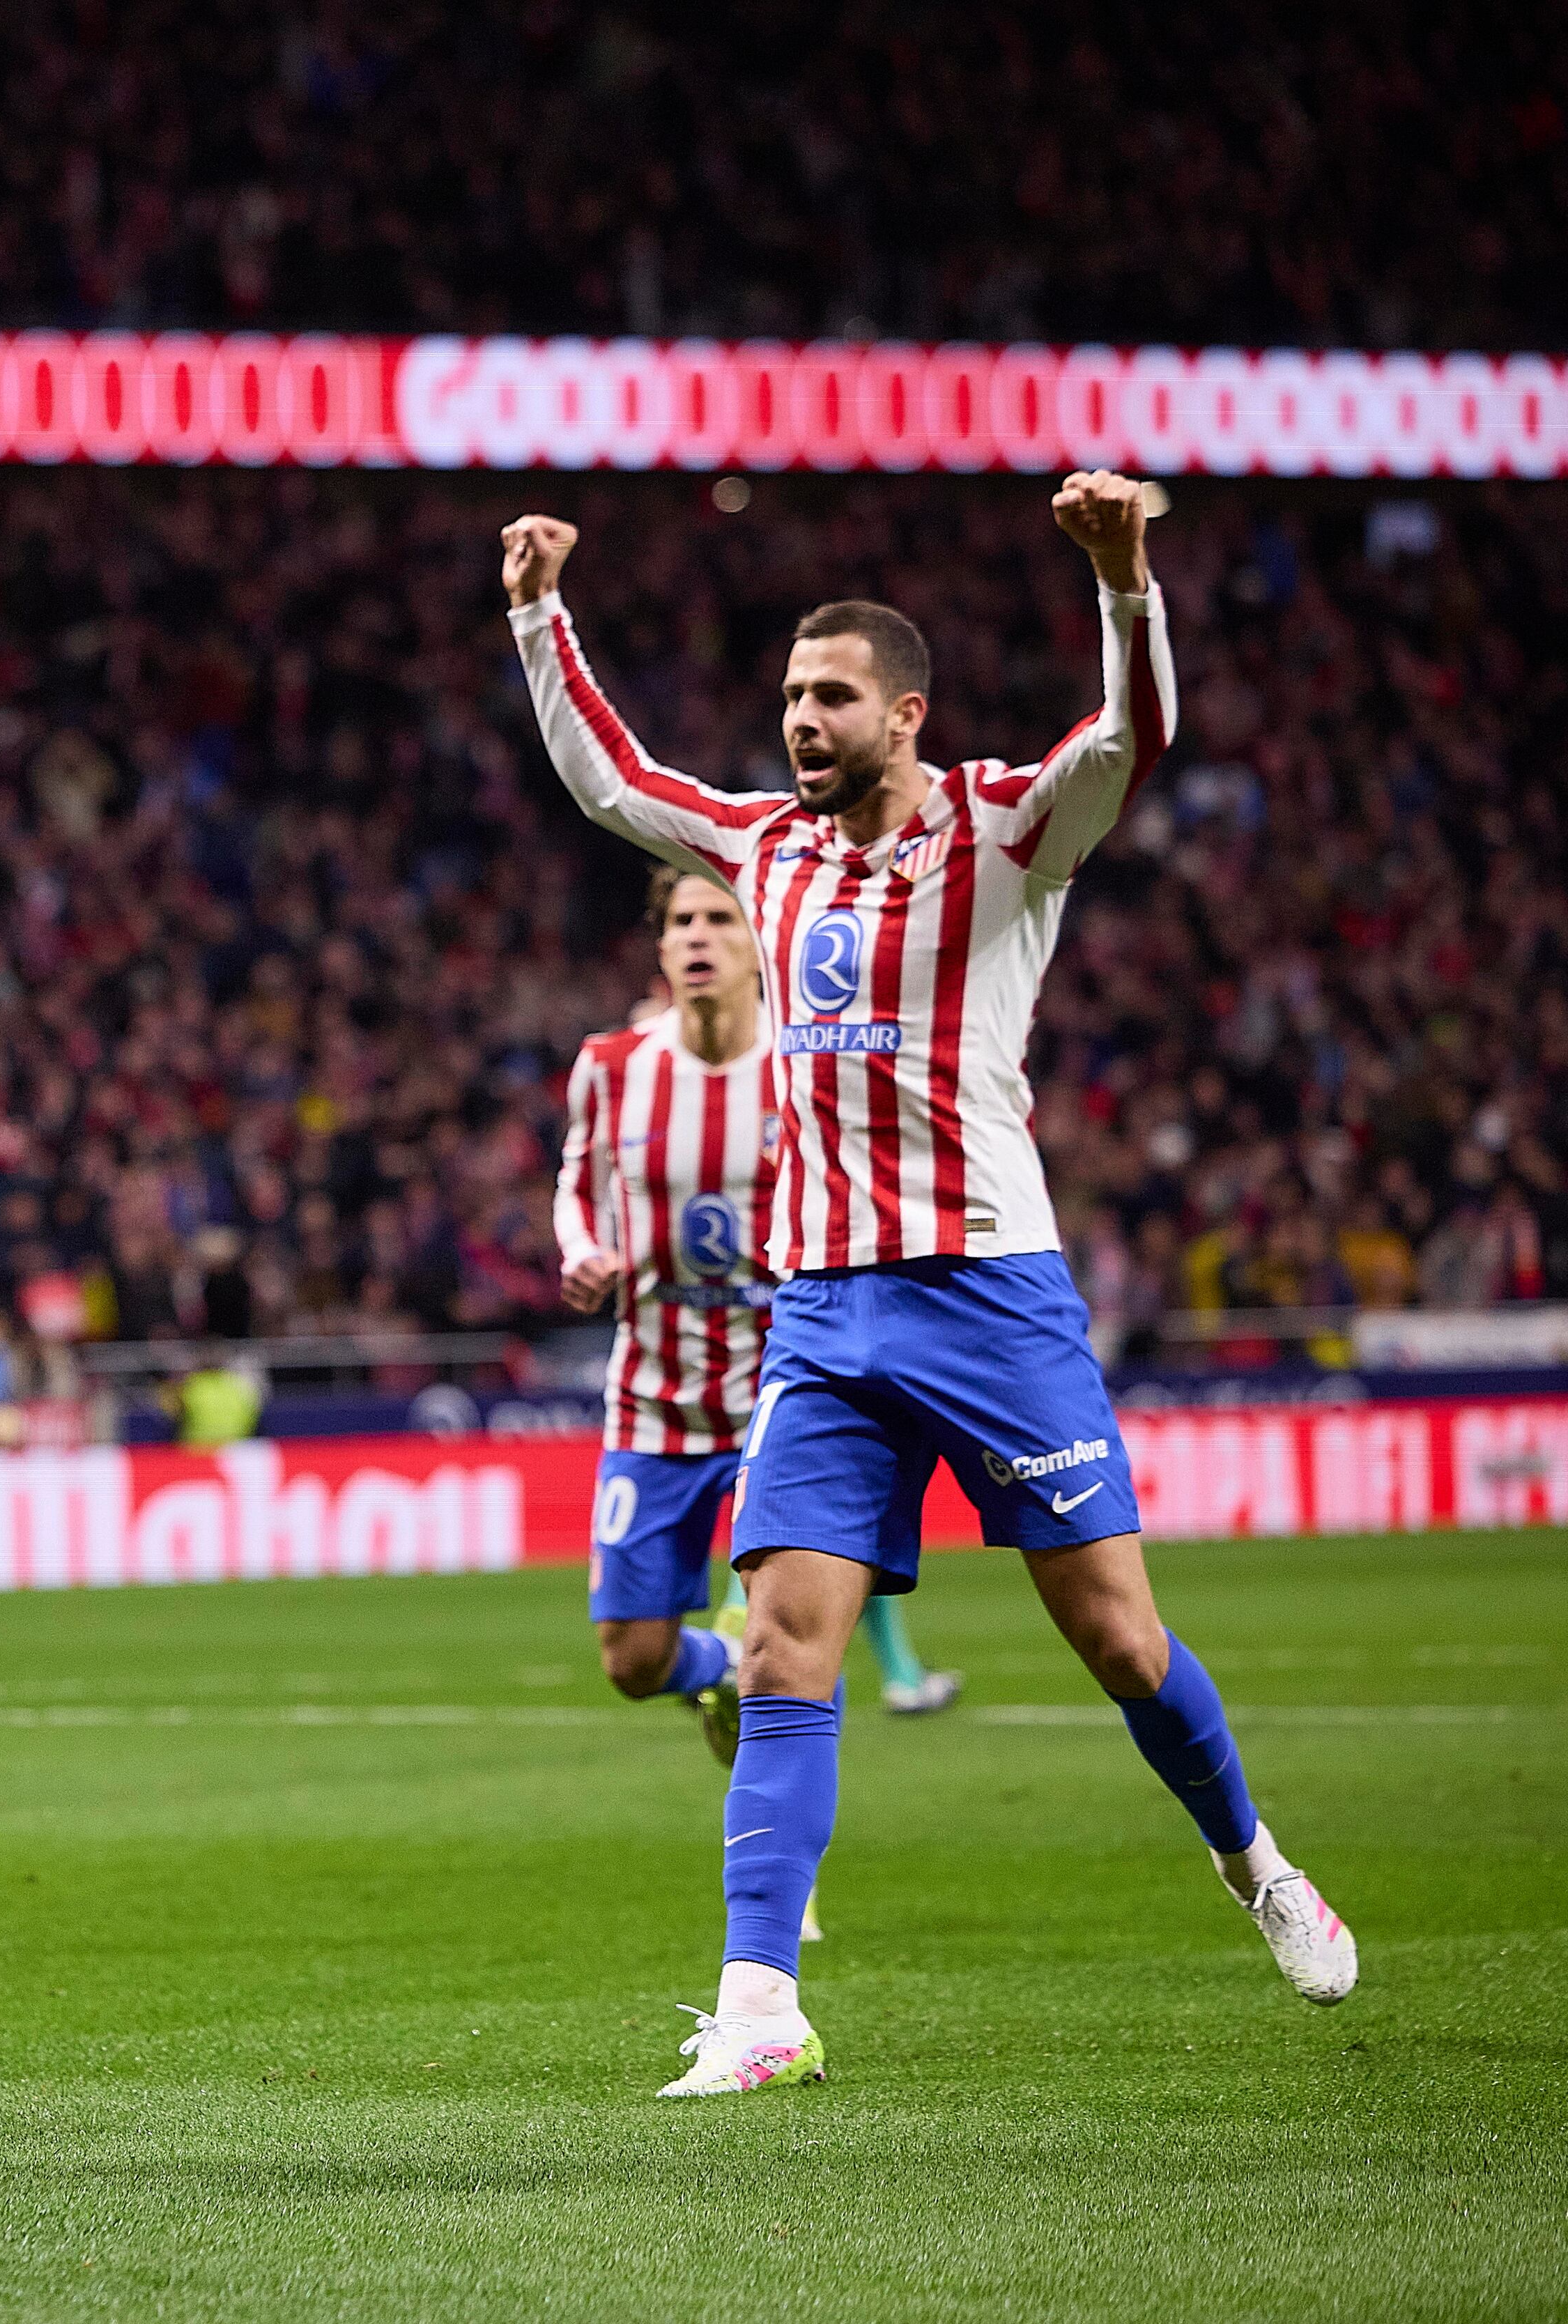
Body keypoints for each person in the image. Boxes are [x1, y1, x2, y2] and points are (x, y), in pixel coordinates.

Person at [503, 475, 1355, 2102]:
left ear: (904, 711)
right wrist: (540, 614)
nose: (799, 720)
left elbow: (1133, 742)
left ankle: (1253, 1859)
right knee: (781, 1648)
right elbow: (610, 778)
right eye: (788, 695)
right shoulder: (759, 844)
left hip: (987, 1293)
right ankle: (761, 2002)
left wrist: (1123, 580)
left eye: (829, 696)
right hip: (824, 1311)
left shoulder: (1006, 829)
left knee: (1116, 1636)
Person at [558, 867, 958, 1760]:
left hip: (784, 1393)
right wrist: (581, 1250)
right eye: (680, 921)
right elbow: (577, 1184)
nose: (697, 935)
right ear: (661, 946)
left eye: (719, 919)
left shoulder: (803, 1064)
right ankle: (722, 1665)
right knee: (632, 1658)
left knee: (790, 1641)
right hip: (655, 1399)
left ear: (757, 945)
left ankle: (789, 1843)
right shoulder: (611, 1067)